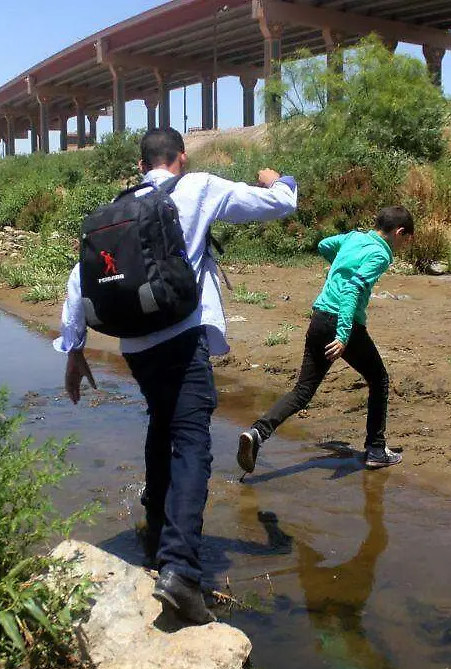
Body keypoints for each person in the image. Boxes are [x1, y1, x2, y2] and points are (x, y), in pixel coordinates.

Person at [56, 127, 298, 624]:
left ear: (143, 164)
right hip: (182, 335)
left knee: (161, 423)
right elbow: (278, 205)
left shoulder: (117, 207)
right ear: (180, 159)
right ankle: (181, 572)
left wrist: (74, 348)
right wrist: (281, 180)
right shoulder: (200, 186)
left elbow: (80, 278)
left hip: (136, 345)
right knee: (191, 441)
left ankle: (154, 524)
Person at [238, 206, 414, 473]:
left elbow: (323, 245)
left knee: (302, 391)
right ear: (399, 232)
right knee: (379, 379)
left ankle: (257, 433)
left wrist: (341, 265)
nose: (402, 246)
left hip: (319, 318)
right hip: (342, 323)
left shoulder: (354, 238)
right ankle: (376, 449)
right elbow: (353, 289)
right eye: (405, 240)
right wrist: (343, 335)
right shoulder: (380, 253)